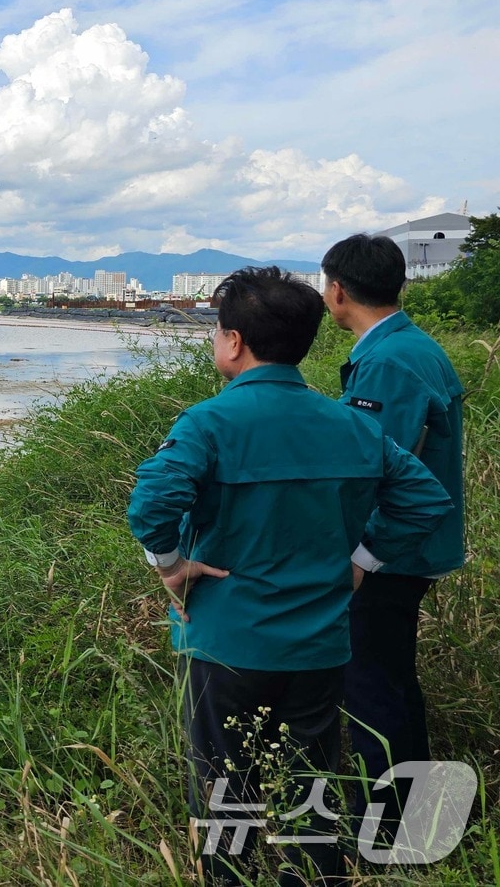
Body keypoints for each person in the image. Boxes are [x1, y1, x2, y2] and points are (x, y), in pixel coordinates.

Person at [128, 266, 451, 884]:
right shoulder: (354, 425)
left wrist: (171, 566)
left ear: (234, 340)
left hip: (226, 637)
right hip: (319, 639)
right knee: (314, 779)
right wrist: (363, 562)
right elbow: (426, 501)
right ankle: (314, 874)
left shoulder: (209, 422)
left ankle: (231, 877)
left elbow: (151, 505)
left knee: (225, 781)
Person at [321, 234, 465, 833]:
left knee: (371, 686)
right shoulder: (409, 346)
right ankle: (417, 809)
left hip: (391, 551)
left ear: (336, 292)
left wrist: (362, 554)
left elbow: (377, 469)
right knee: (392, 676)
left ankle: (382, 826)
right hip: (410, 546)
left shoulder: (386, 361)